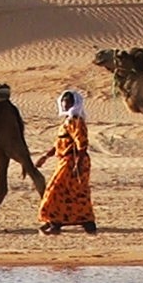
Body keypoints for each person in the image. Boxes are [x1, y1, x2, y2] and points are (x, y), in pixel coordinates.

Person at [36, 88, 96, 234]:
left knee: (56, 191)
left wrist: (77, 165)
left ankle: (56, 223)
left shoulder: (76, 121)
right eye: (63, 102)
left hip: (73, 162)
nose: (64, 104)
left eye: (68, 102)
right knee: (70, 193)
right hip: (65, 160)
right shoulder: (68, 121)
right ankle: (58, 222)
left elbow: (82, 145)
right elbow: (60, 143)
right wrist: (45, 157)